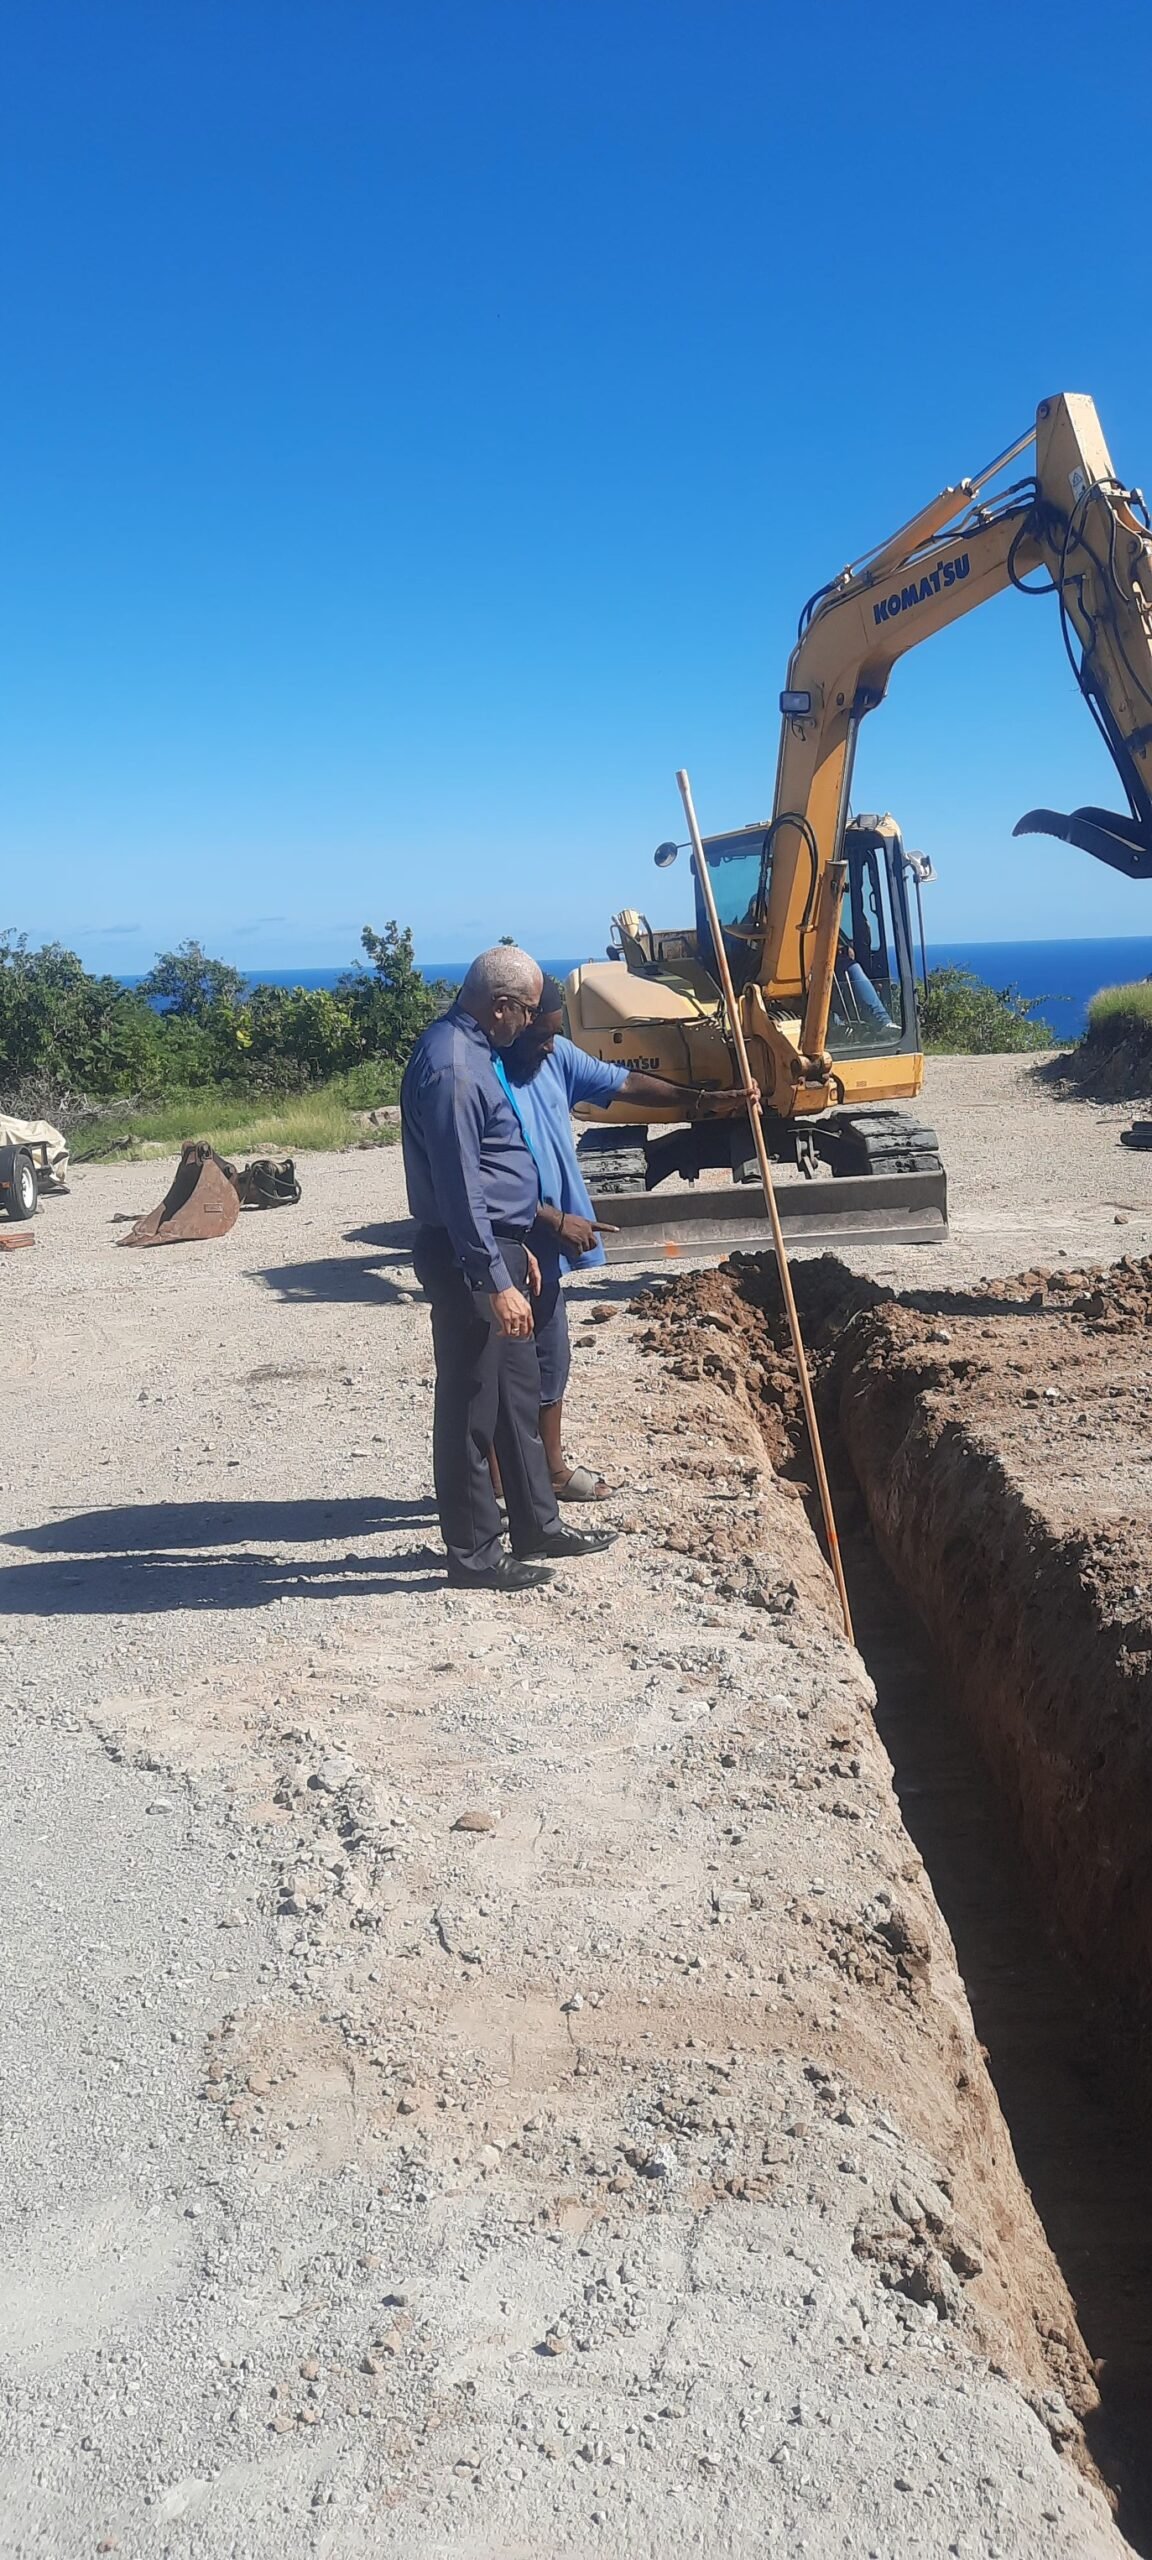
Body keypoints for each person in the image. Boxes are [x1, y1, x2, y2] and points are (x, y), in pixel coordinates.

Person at [401, 946, 617, 1593]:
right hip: (473, 1256)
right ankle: (474, 1554)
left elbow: (494, 1181)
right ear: (501, 1007)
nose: (532, 1024)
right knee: (471, 1406)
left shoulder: (475, 1052)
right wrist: (493, 1279)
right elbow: (462, 1188)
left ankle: (537, 1524)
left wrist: (519, 1248)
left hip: (502, 1246)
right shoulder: (454, 1068)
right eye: (526, 1012)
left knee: (516, 1397)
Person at [500, 976, 756, 1499]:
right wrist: (552, 1219)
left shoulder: (555, 1058)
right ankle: (499, 1487)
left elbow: (624, 1085)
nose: (550, 1046)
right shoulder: (486, 1074)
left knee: (552, 1359)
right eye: (542, 1036)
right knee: (506, 1366)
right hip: (507, 1240)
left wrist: (703, 1101)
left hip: (548, 1246)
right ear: (515, 1024)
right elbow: (479, 1178)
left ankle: (550, 1468)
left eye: (555, 1035)